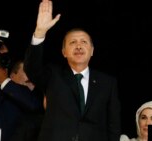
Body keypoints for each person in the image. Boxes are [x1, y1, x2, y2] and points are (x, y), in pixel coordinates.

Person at [23, 0, 121, 141]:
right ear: (64, 52)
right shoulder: (53, 75)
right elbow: (31, 68)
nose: (79, 46)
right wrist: (40, 32)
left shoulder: (107, 83)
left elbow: (114, 125)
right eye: (73, 42)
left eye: (84, 42)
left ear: (92, 51)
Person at [9, 59, 44, 141]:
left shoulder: (37, 107)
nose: (32, 86)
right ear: (12, 76)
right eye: (28, 71)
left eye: (33, 83)